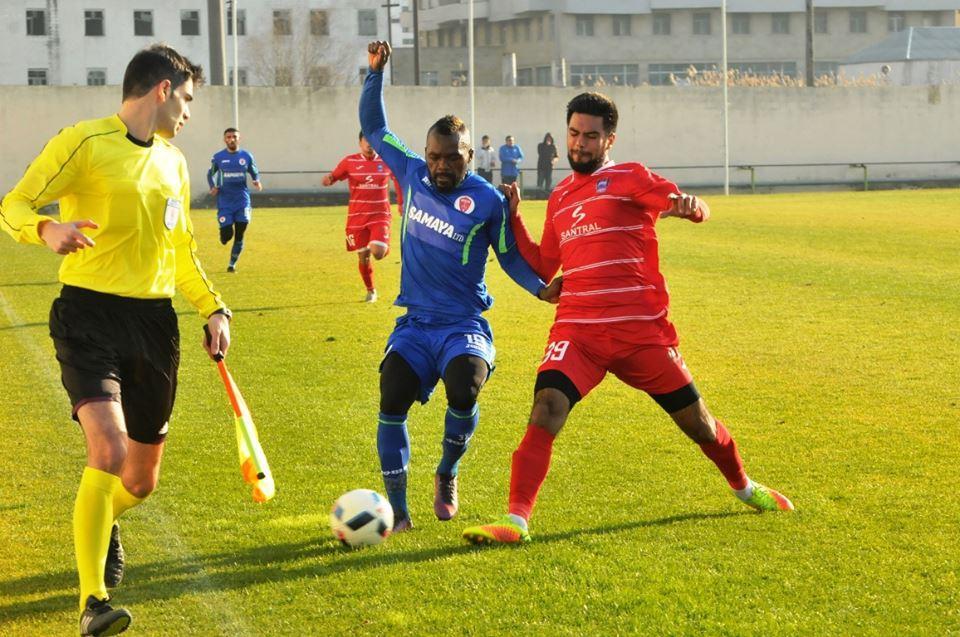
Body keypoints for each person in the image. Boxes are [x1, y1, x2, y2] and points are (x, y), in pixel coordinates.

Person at [462, 92, 793, 545]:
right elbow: (543, 264)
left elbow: (681, 202)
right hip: (579, 332)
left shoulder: (630, 177)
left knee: (698, 424)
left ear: (609, 139)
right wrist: (515, 218)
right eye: (574, 133)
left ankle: (744, 486)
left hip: (641, 334)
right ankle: (516, 521)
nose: (579, 144)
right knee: (546, 407)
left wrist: (692, 207)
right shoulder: (560, 197)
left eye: (590, 136)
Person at [0, 45, 231, 635]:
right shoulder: (84, 141)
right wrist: (45, 228)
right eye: (186, 99)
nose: (187, 112)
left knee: (139, 481)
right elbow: (13, 204)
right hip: (88, 315)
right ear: (162, 89)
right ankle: (93, 603)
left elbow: (181, 250)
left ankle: (101, 515)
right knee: (107, 449)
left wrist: (212, 308)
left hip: (154, 325)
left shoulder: (174, 163)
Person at [360, 41, 551, 532]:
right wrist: (375, 73)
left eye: (451, 158)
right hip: (415, 324)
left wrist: (540, 288)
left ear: (469, 155)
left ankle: (447, 472)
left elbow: (509, 255)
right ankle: (399, 511)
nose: (440, 166)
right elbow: (375, 127)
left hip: (463, 324)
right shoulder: (412, 172)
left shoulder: (488, 201)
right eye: (434, 157)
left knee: (465, 387)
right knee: (392, 395)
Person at [322, 131, 402, 302]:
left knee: (377, 252)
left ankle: (383, 245)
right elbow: (334, 176)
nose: (369, 144)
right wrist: (329, 179)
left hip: (380, 214)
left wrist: (401, 203)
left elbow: (398, 181)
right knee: (363, 257)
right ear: (360, 143)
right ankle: (371, 290)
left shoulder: (386, 161)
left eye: (372, 140)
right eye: (366, 140)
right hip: (356, 217)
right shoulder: (349, 161)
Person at [207, 127, 262, 272]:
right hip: (225, 201)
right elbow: (210, 173)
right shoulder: (218, 157)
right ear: (224, 139)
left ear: (239, 139)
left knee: (240, 233)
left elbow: (253, 170)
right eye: (229, 137)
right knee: (227, 236)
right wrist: (213, 186)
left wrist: (256, 180)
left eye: (234, 137)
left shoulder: (246, 156)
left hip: (242, 200)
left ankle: (232, 265)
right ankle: (224, 234)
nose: (231, 139)